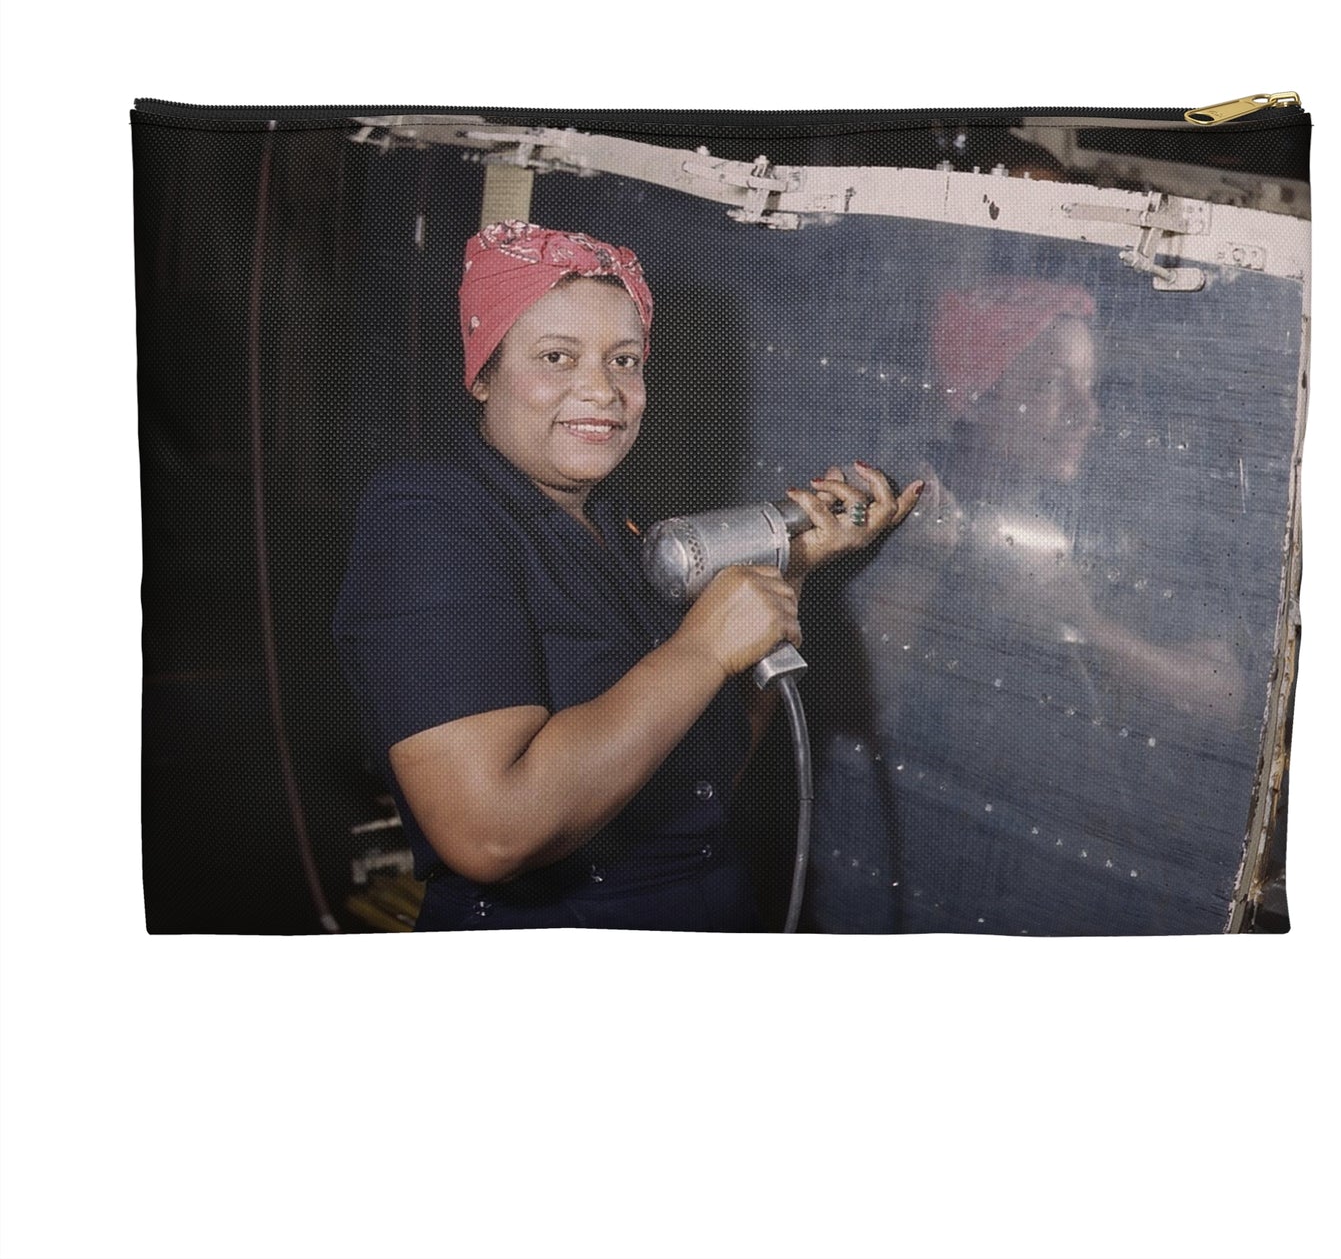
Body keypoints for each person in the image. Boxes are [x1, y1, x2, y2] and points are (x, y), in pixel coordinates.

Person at [333, 220, 923, 931]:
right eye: (556, 356)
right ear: (482, 373)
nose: (602, 390)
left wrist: (789, 573)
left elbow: (704, 778)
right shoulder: (427, 516)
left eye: (624, 360)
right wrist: (702, 646)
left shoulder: (624, 533)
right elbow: (490, 831)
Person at [814, 275, 1249, 934]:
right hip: (925, 879)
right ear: (974, 401)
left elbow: (1226, 701)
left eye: (1089, 386)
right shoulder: (898, 511)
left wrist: (1087, 629)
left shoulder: (1113, 520)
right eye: (1049, 385)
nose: (1085, 412)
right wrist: (920, 563)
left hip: (1089, 881)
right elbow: (853, 724)